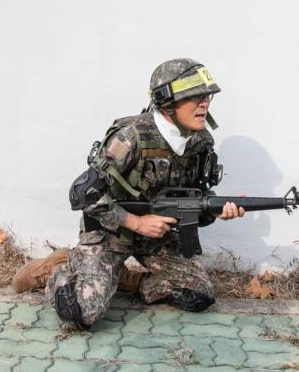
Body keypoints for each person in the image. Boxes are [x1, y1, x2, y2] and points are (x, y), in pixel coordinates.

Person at [13, 59, 245, 329]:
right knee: (78, 312)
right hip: (111, 232)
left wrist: (214, 211)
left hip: (157, 237)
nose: (204, 103)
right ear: (167, 102)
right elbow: (84, 195)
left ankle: (124, 279)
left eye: (207, 96)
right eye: (194, 97)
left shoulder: (200, 142)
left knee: (198, 295)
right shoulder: (131, 137)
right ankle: (56, 268)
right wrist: (136, 223)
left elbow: (190, 201)